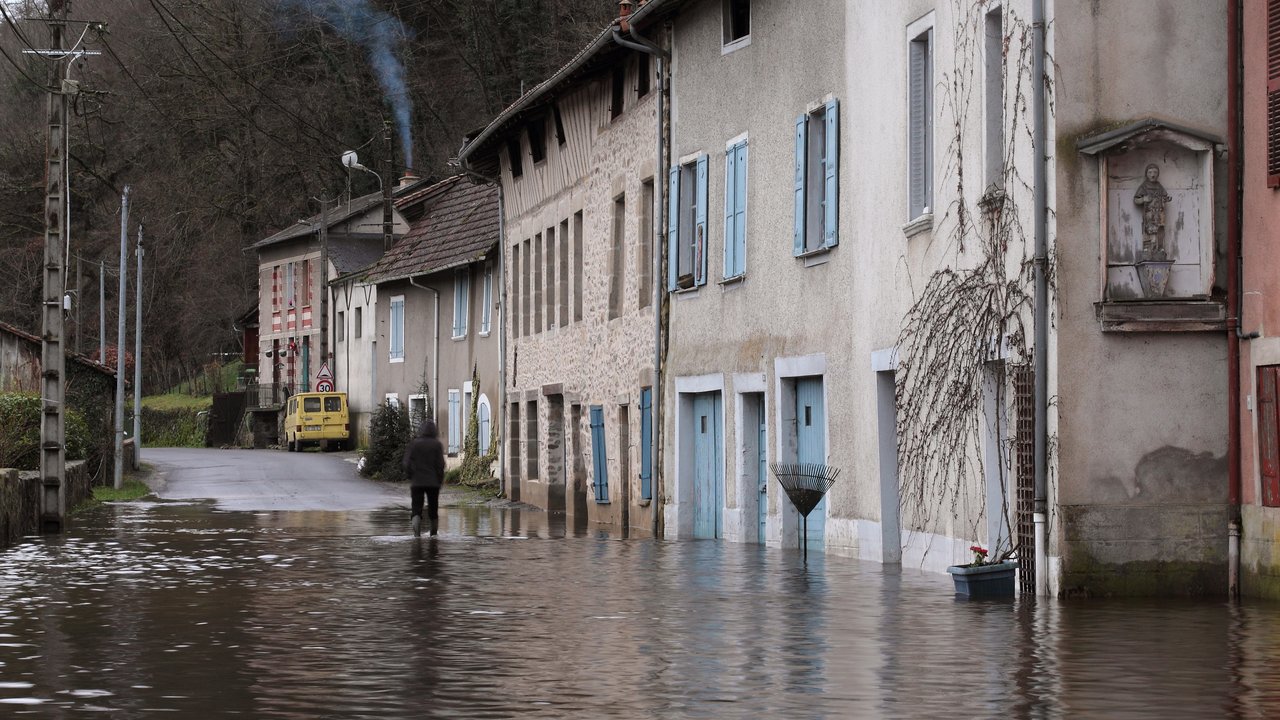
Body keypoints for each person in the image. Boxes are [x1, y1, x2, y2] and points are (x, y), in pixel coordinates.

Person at [402, 420, 446, 537]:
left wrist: (411, 476)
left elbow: (406, 463)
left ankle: (416, 535)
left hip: (417, 482)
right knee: (433, 509)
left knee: (416, 508)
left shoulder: (414, 444)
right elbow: (441, 465)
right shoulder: (437, 445)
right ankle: (433, 534)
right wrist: (440, 480)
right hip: (433, 483)